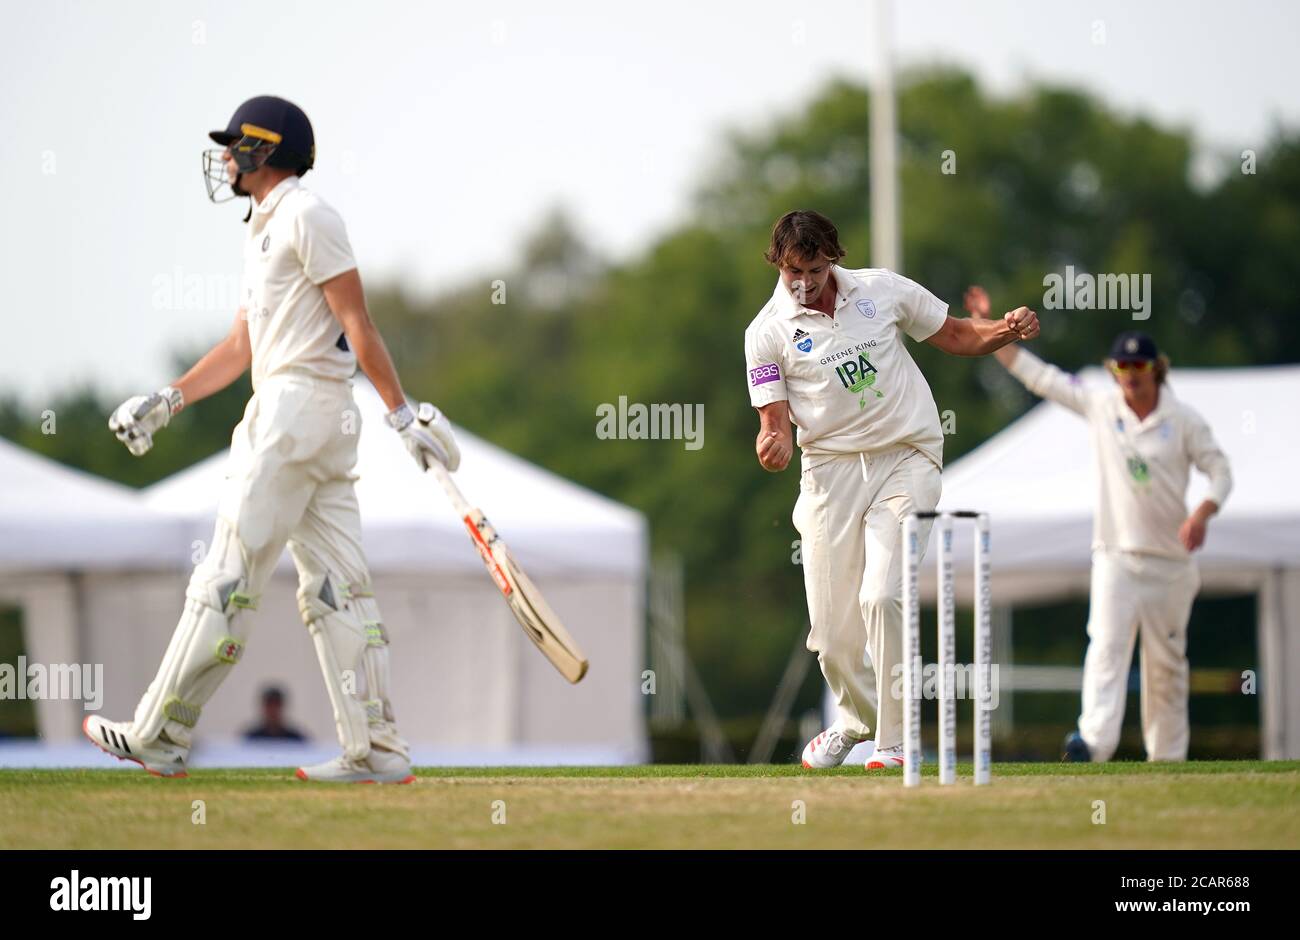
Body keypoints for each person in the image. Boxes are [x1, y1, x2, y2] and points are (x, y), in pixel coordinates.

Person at [83, 95, 459, 783]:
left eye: (235, 145)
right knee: (337, 592)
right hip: (312, 416)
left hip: (294, 412)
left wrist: (403, 414)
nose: (224, 157)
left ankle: (157, 734)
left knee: (226, 578)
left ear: (267, 150)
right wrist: (167, 400)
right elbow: (239, 346)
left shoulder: (308, 214)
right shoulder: (263, 226)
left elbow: (359, 321)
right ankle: (375, 751)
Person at [743, 210, 1040, 771]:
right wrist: (771, 444)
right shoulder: (766, 333)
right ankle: (857, 720)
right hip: (828, 474)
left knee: (882, 594)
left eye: (810, 269)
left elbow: (953, 334)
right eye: (790, 272)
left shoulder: (882, 290)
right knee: (832, 637)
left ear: (833, 257)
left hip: (907, 457)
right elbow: (774, 424)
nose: (802, 283)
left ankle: (894, 743)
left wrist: (1005, 328)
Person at [965, 286, 1232, 762]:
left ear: (1156, 369)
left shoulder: (1183, 419)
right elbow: (1040, 378)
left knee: (1166, 666)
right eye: (1123, 368)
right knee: (1105, 651)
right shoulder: (1103, 407)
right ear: (1114, 372)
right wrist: (996, 331)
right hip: (1116, 557)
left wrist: (1202, 512)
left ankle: (1167, 758)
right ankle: (1093, 745)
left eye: (1139, 368)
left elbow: (1221, 472)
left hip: (1172, 565)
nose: (1131, 377)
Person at [243, 686, 309, 742]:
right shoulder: (250, 739)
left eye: (276, 705)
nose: (273, 710)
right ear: (264, 708)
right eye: (270, 705)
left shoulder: (296, 739)